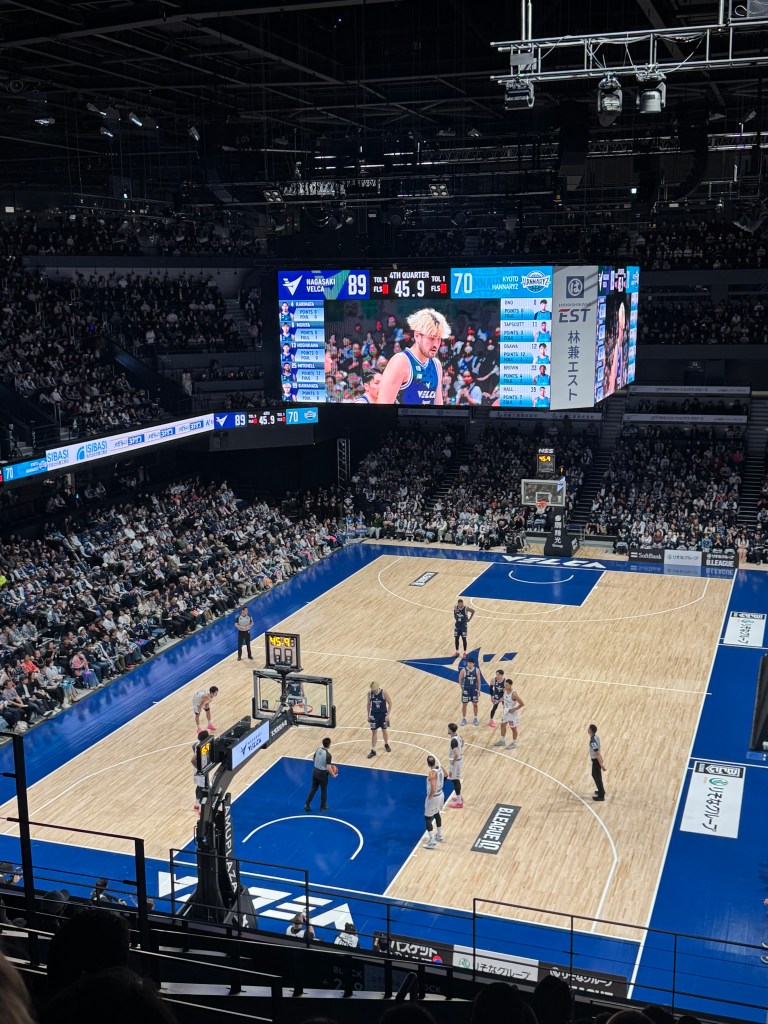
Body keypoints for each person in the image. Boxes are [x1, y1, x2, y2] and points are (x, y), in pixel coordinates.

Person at [376, 308, 449, 405]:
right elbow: (382, 407)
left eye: (439, 339)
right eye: (431, 338)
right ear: (417, 336)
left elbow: (439, 407)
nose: (436, 344)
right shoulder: (401, 362)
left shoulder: (437, 365)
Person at [493, 678, 524, 749]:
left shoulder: (514, 694)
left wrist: (515, 709)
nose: (505, 686)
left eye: (506, 685)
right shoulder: (505, 690)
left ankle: (514, 743)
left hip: (511, 714)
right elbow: (505, 697)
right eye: (505, 685)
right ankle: (502, 741)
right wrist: (500, 700)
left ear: (510, 685)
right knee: (502, 725)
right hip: (505, 712)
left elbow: (522, 704)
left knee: (513, 728)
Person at [304, 736, 333, 812]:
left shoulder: (318, 750)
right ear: (329, 745)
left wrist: (318, 763)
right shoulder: (328, 755)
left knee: (313, 788)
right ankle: (323, 806)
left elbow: (313, 759)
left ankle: (307, 804)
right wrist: (333, 775)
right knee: (323, 790)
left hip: (315, 771)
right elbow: (329, 767)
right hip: (322, 774)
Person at [423, 754, 445, 849]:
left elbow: (433, 787)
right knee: (436, 813)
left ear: (428, 764)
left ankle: (432, 841)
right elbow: (446, 775)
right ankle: (439, 835)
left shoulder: (432, 774)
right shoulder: (440, 768)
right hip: (441, 794)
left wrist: (430, 797)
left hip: (434, 797)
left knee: (427, 817)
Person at [367, 682, 392, 759]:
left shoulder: (384, 692)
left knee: (384, 730)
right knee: (374, 732)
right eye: (372, 689)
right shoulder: (369, 693)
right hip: (374, 714)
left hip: (383, 714)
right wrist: (368, 715)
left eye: (374, 689)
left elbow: (390, 703)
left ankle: (386, 744)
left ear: (377, 687)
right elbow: (368, 704)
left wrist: (388, 715)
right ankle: (373, 750)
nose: (373, 690)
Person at [458, 656, 480, 727]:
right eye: (468, 663)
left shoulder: (476, 670)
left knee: (475, 704)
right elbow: (460, 679)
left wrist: (479, 689)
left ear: (473, 664)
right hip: (466, 690)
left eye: (471, 663)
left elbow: (478, 680)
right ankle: (464, 719)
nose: (469, 664)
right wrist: (462, 688)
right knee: (464, 705)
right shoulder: (463, 670)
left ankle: (475, 718)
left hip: (474, 690)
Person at [447, 722, 464, 808]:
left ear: (450, 730)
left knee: (455, 780)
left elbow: (456, 754)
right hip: (459, 760)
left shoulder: (453, 741)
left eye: (448, 728)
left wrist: (453, 762)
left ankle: (459, 802)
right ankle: (459, 797)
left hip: (456, 762)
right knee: (455, 779)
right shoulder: (458, 736)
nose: (447, 730)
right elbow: (463, 742)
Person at [588, 723, 606, 801]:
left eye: (589, 729)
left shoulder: (593, 741)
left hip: (596, 761)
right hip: (596, 760)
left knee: (598, 777)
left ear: (591, 731)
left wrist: (601, 764)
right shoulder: (596, 737)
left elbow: (597, 753)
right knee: (594, 774)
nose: (588, 729)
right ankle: (601, 790)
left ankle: (601, 795)